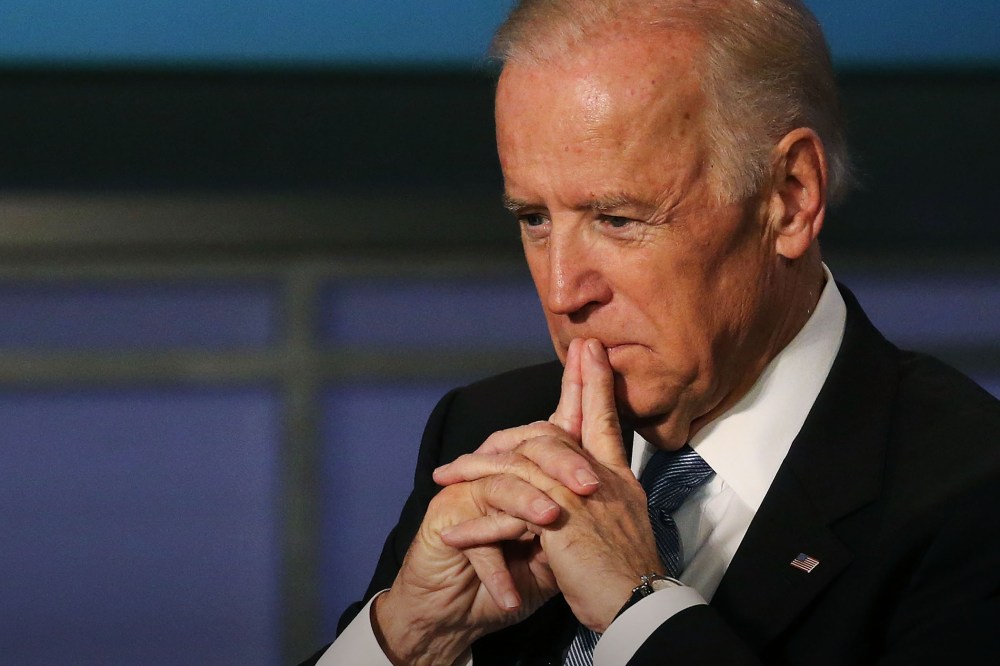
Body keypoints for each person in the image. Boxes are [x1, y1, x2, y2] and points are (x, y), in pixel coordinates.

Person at [304, 0, 1000, 663]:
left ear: (789, 198)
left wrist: (638, 611)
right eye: (534, 219)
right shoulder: (484, 432)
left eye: (618, 219)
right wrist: (410, 637)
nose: (562, 290)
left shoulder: (970, 492)